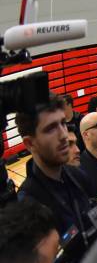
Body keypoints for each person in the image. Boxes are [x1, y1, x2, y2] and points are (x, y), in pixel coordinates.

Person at [15, 93, 92, 235]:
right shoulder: (28, 205)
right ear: (30, 143)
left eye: (63, 123)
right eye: (51, 128)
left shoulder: (78, 175)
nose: (63, 135)